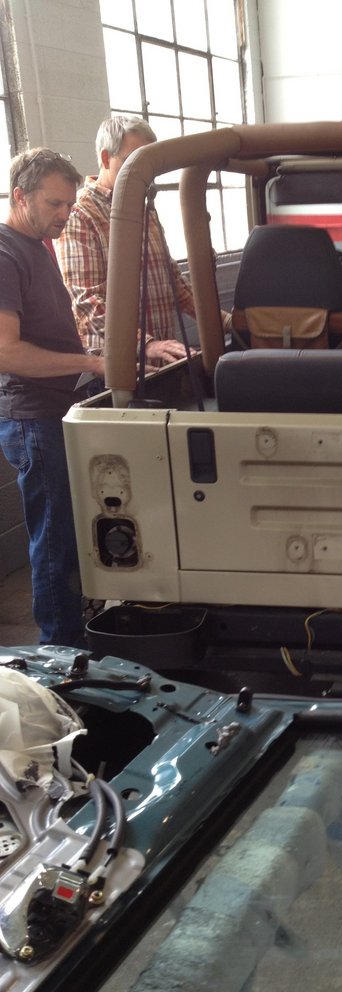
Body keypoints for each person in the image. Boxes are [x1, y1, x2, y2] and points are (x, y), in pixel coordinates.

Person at [0, 148, 105, 645]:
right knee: (53, 540)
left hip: (55, 410)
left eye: (69, 204)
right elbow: (8, 353)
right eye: (56, 204)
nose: (66, 214)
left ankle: (75, 636)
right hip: (33, 416)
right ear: (20, 196)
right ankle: (60, 655)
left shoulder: (36, 244)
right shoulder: (4, 253)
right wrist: (90, 363)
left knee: (67, 533)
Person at [55, 115, 196, 364]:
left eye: (150, 165)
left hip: (161, 358)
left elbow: (172, 279)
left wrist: (223, 320)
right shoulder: (80, 214)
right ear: (106, 158)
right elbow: (87, 301)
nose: (145, 174)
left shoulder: (144, 209)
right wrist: (145, 343)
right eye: (134, 162)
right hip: (118, 365)